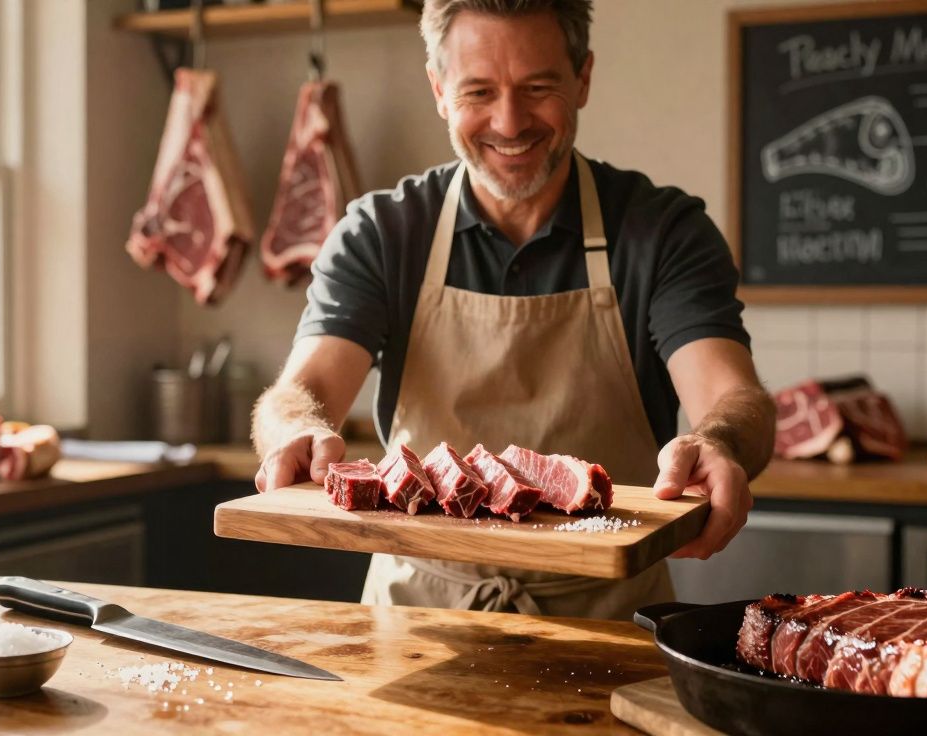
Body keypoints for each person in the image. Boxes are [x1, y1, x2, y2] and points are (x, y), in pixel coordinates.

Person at [253, 0, 775, 620]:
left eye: (538, 87)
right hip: (414, 617)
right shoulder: (383, 232)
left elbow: (733, 396)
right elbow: (303, 389)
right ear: (439, 89)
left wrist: (719, 442)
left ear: (582, 78)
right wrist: (296, 431)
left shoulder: (661, 232)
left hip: (604, 618)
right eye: (479, 91)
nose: (509, 121)